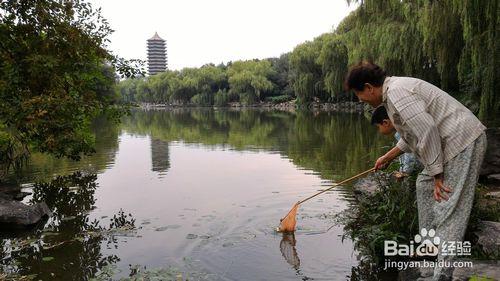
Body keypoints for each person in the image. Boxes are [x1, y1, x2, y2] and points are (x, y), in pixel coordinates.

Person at [345, 61, 487, 281]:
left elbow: (428, 131)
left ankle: (442, 275)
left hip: (463, 142)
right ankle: (429, 247)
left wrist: (438, 175)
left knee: (449, 208)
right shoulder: (391, 97)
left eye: (358, 94)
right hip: (449, 146)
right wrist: (388, 156)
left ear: (369, 87)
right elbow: (412, 135)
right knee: (423, 184)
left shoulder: (398, 93)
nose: (360, 99)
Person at [371, 105, 422, 177]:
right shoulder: (400, 130)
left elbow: (410, 154)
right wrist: (388, 159)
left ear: (385, 123)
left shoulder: (404, 130)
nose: (379, 130)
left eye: (378, 127)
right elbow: (403, 148)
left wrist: (404, 172)